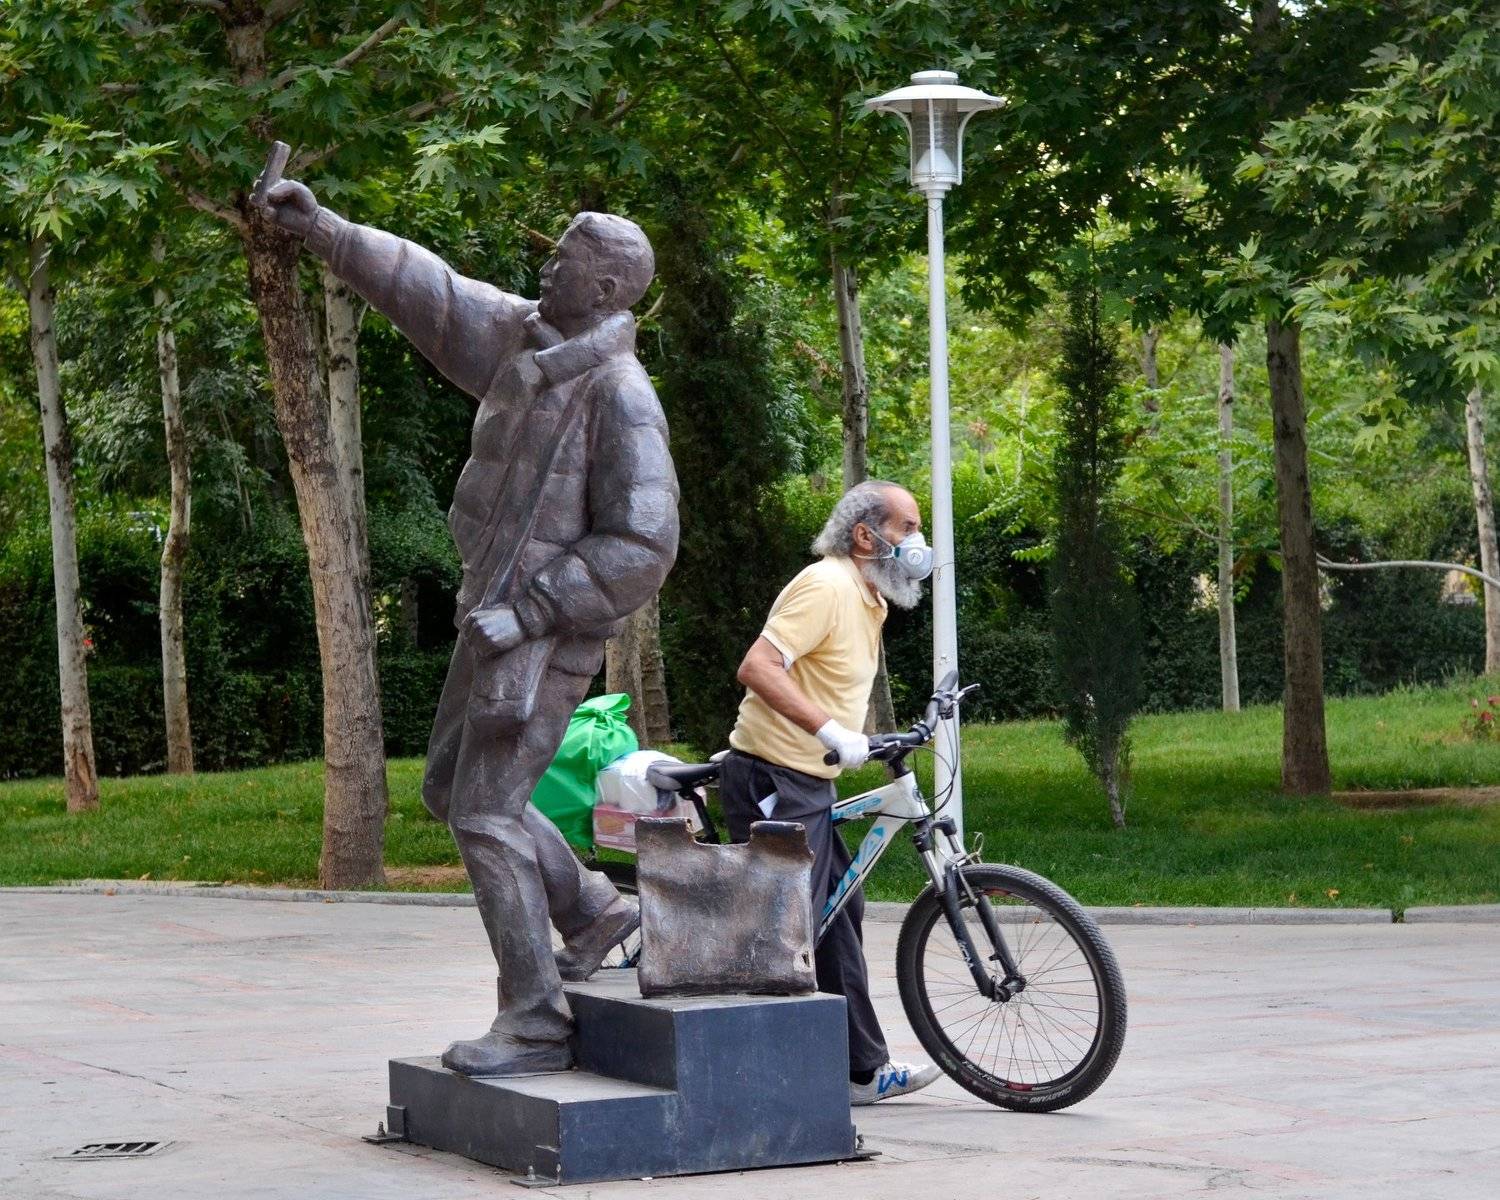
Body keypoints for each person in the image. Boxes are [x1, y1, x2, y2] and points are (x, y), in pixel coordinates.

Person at [260, 180, 678, 1076]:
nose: (547, 267)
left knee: (485, 813)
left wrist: (533, 609)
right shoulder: (529, 343)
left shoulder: (619, 393)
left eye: (564, 259)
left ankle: (534, 1018)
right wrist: (323, 228)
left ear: (605, 289)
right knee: (452, 788)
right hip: (493, 617)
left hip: (539, 635)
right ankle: (596, 911)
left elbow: (644, 542)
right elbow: (433, 292)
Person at [722, 480, 941, 1105]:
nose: (918, 542)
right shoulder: (826, 585)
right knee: (789, 930)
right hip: (772, 777)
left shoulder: (867, 597)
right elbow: (757, 667)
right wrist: (829, 730)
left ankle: (861, 1071)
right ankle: (761, 1086)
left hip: (807, 780)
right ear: (865, 536)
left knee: (840, 913)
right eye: (907, 528)